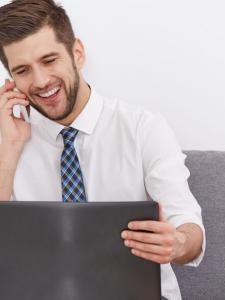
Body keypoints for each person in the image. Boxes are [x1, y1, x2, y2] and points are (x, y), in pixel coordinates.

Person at [0, 1, 205, 299]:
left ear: (77, 53)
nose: (41, 81)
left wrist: (178, 242)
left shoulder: (142, 128)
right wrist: (9, 151)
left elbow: (189, 228)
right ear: (12, 82)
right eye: (23, 70)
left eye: (49, 60)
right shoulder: (9, 140)